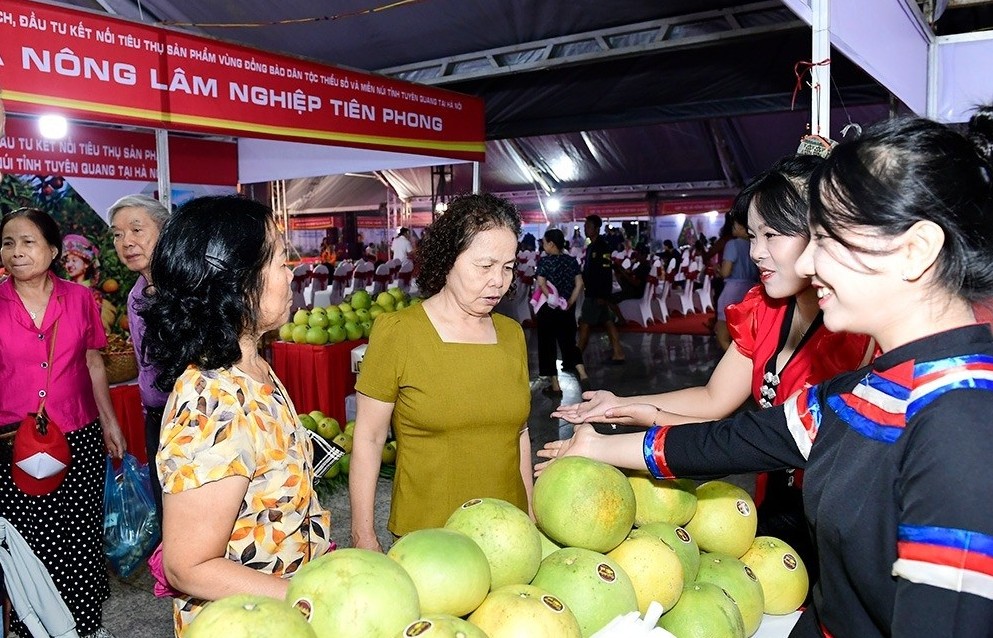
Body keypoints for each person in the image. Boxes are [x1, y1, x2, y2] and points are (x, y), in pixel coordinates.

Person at [540, 109, 993, 637]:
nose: (806, 264)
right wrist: (597, 448)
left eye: (827, 240)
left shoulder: (962, 428)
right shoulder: (874, 388)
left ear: (915, 250)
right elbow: (737, 437)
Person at [554, 155, 874, 579]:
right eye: (753, 234)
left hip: (836, 512)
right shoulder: (767, 309)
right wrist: (623, 406)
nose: (756, 252)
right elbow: (713, 400)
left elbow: (741, 440)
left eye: (772, 235)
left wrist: (608, 445)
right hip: (769, 499)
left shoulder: (859, 331)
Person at [139, 196, 331, 635]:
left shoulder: (254, 367)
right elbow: (189, 567)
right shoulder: (213, 403)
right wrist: (313, 597)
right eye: (281, 259)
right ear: (240, 282)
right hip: (248, 622)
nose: (292, 271)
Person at [350, 193, 532, 550]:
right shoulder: (399, 333)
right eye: (485, 266)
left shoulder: (512, 335)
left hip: (508, 536)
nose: (499, 281)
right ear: (448, 260)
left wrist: (531, 517)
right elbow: (369, 440)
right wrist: (363, 534)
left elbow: (521, 434)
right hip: (430, 539)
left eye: (508, 267)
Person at [0, 207, 126, 638]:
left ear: (53, 250)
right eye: (8, 242)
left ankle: (85, 625)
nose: (16, 252)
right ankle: (33, 626)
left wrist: (110, 423)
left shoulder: (79, 299)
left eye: (28, 242)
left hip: (77, 437)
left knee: (79, 538)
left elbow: (93, 363)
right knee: (24, 542)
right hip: (12, 446)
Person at [108, 194, 171, 527]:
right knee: (167, 510)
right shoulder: (136, 294)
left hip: (195, 413)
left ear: (164, 231)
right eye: (117, 235)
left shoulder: (185, 286)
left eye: (136, 230)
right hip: (156, 416)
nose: (126, 242)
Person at [535, 228, 589, 397]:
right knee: (569, 343)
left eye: (544, 242)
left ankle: (555, 386)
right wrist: (569, 302)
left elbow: (541, 282)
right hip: (567, 308)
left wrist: (552, 298)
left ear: (551, 244)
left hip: (549, 310)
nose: (543, 246)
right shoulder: (571, 261)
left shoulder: (545, 262)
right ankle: (583, 375)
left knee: (548, 345)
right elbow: (579, 284)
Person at [577, 215, 625, 364]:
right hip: (593, 291)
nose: (586, 229)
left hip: (596, 293)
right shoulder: (592, 246)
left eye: (588, 227)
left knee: (585, 324)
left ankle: (576, 358)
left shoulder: (602, 246)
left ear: (596, 228)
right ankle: (618, 353)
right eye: (585, 227)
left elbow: (605, 272)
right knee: (608, 323)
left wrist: (603, 294)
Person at [714, 210, 759, 350]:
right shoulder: (754, 244)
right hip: (751, 289)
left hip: (733, 290)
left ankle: (734, 368)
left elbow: (726, 272)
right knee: (745, 334)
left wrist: (719, 270)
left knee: (722, 333)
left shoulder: (732, 244)